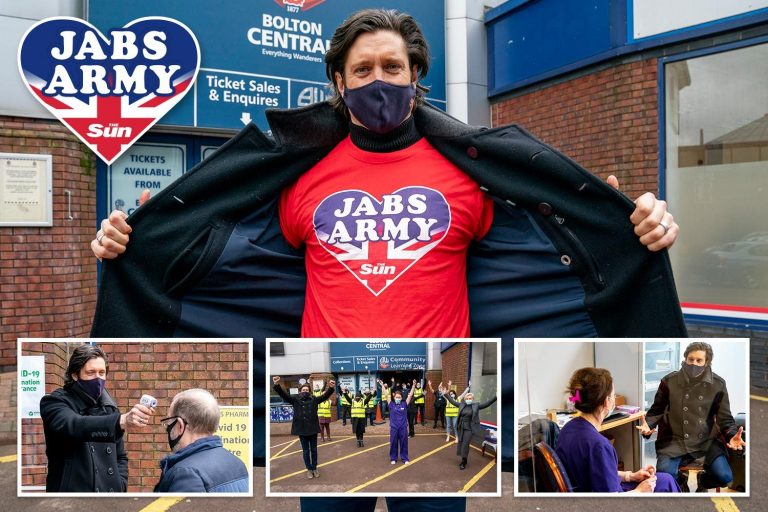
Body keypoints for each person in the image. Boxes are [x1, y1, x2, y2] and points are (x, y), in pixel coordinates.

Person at [91, 8, 684, 512]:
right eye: (363, 69)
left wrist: (628, 224)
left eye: (392, 67)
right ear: (339, 82)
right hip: (332, 432)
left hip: (425, 439)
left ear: (416, 75)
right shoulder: (298, 182)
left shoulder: (469, 173)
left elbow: (557, 238)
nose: (379, 81)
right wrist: (138, 238)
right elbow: (221, 248)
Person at [39, 344, 152, 492]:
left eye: (102, 372)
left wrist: (120, 483)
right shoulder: (54, 402)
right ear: (75, 375)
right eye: (91, 372)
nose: (98, 378)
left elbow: (120, 455)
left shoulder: (109, 407)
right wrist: (121, 421)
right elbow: (75, 425)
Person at [637, 342, 745, 492]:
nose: (694, 363)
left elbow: (724, 418)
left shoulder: (718, 384)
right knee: (665, 476)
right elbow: (656, 410)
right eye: (691, 359)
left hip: (706, 441)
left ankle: (703, 481)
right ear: (685, 359)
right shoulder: (669, 381)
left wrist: (732, 436)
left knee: (724, 477)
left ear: (707, 362)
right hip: (674, 440)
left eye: (699, 360)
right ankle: (681, 481)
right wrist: (648, 425)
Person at [556, 367, 679, 493]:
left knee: (665, 479)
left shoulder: (568, 429)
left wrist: (630, 476)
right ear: (606, 402)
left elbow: (598, 472)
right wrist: (639, 491)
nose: (614, 399)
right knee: (667, 484)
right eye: (613, 396)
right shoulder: (599, 446)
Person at [154, 388, 249, 492]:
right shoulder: (236, 462)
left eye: (169, 421)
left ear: (180, 425)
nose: (167, 427)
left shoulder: (185, 474)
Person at [273, 376, 335, 479]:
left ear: (309, 391)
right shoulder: (295, 399)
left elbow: (324, 397)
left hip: (313, 429)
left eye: (307, 390)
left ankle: (314, 468)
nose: (305, 391)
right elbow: (284, 395)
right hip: (302, 429)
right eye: (303, 390)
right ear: (300, 391)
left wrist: (331, 387)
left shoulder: (314, 399)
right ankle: (309, 469)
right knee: (306, 451)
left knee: (314, 450)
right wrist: (277, 385)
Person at [444, 384, 496, 470]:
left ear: (472, 399)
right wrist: (446, 394)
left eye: (470, 398)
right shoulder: (461, 405)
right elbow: (452, 402)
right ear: (465, 399)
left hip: (470, 428)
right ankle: (463, 458)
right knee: (461, 443)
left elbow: (487, 404)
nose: (468, 399)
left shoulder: (476, 406)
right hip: (461, 427)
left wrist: (496, 397)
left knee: (465, 444)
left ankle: (464, 461)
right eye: (467, 398)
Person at [381, 378, 415, 465]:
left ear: (401, 398)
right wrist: (382, 386)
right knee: (393, 443)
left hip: (403, 427)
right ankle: (393, 458)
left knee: (404, 443)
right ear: (394, 397)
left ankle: (404, 458)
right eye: (396, 397)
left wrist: (414, 385)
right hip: (394, 427)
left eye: (399, 397)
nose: (398, 398)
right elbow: (385, 395)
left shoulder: (404, 404)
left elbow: (410, 395)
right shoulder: (391, 404)